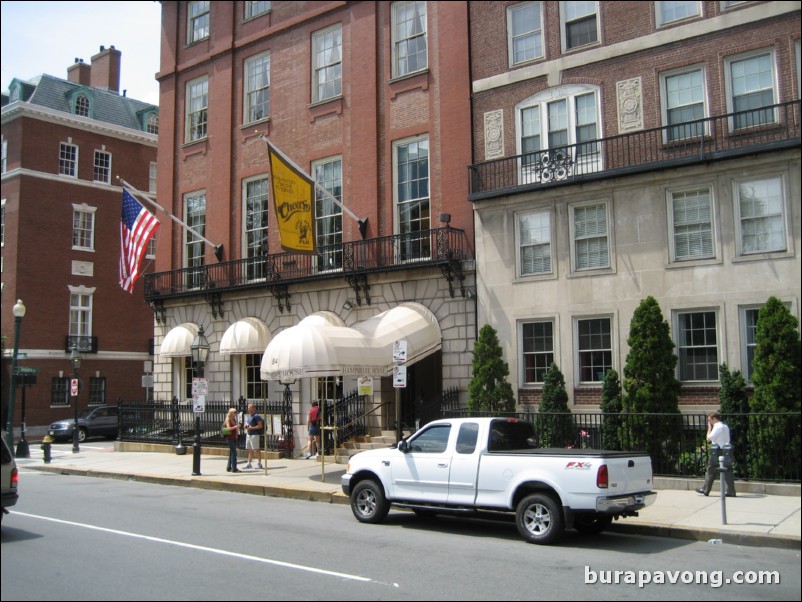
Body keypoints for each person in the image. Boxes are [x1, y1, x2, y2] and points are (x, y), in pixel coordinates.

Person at [696, 411, 736, 497]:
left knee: (711, 470)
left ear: (714, 419)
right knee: (728, 471)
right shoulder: (725, 426)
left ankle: (705, 489)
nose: (709, 422)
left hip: (717, 452)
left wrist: (709, 428)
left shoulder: (717, 427)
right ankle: (731, 491)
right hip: (726, 451)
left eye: (709, 420)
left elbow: (708, 439)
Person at [243, 403, 264, 470]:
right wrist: (246, 426)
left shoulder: (256, 416)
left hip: (254, 434)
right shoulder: (249, 416)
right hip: (249, 434)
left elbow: (260, 426)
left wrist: (251, 428)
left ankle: (259, 463)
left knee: (256, 449)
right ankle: (249, 463)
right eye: (248, 407)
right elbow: (249, 424)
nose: (248, 408)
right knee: (250, 450)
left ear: (253, 408)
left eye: (250, 407)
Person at [223, 407, 241, 473]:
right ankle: (234, 468)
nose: (236, 413)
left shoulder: (234, 419)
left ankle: (228, 467)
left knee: (231, 452)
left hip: (234, 437)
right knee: (234, 453)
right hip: (229, 437)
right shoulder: (228, 419)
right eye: (234, 412)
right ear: (231, 413)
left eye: (236, 412)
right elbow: (228, 428)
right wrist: (236, 427)